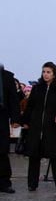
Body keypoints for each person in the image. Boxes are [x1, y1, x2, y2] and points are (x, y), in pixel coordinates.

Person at [21, 62, 56, 191]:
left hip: (52, 126)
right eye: (44, 72)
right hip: (36, 126)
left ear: (54, 74)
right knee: (34, 156)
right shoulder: (37, 88)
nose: (45, 75)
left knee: (55, 156)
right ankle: (32, 183)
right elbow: (30, 106)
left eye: (48, 72)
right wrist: (25, 121)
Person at [0, 63, 20, 193]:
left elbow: (13, 99)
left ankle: (4, 183)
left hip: (1, 116)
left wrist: (15, 119)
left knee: (2, 150)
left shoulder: (7, 76)